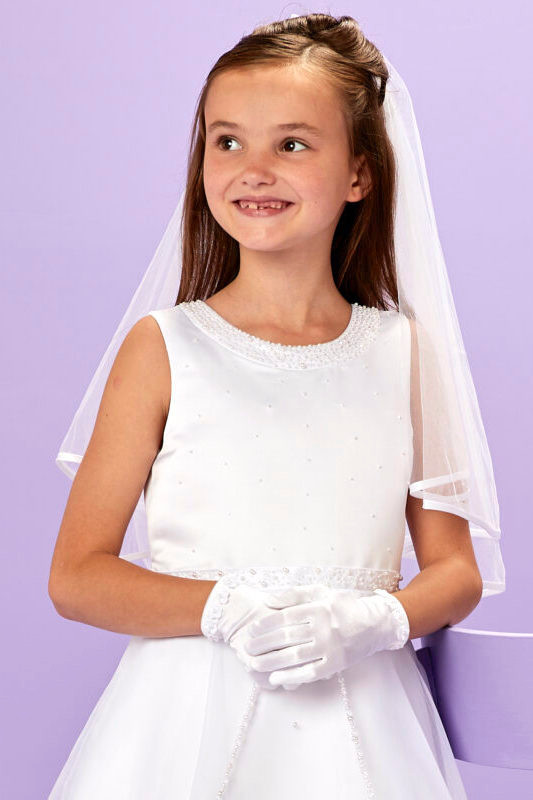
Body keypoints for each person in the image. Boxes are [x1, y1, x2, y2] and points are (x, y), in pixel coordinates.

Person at [47, 12, 505, 799]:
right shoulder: (165, 348)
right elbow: (77, 576)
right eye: (227, 141)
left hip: (362, 712)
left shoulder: (403, 353)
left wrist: (374, 621)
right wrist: (223, 607)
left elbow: (454, 570)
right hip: (183, 717)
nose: (253, 170)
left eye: (291, 144)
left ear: (359, 174)